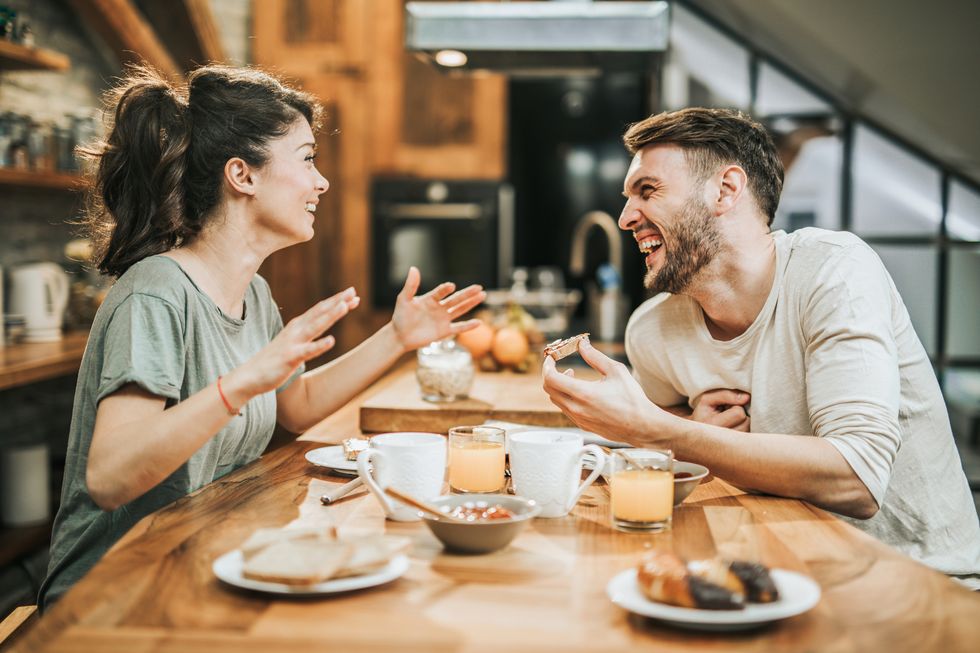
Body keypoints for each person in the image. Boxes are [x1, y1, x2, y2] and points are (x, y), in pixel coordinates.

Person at [39, 65, 486, 610]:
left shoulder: (252, 292)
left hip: (192, 567)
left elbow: (292, 406)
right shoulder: (155, 293)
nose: (321, 181)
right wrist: (242, 383)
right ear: (242, 175)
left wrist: (396, 338)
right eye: (306, 158)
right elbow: (110, 476)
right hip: (109, 597)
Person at [542, 107, 980, 585]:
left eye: (647, 191)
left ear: (726, 190)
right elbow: (664, 465)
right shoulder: (652, 330)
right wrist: (682, 433)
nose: (626, 217)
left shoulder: (832, 270)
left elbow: (857, 478)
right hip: (769, 576)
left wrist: (665, 433)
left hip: (920, 586)